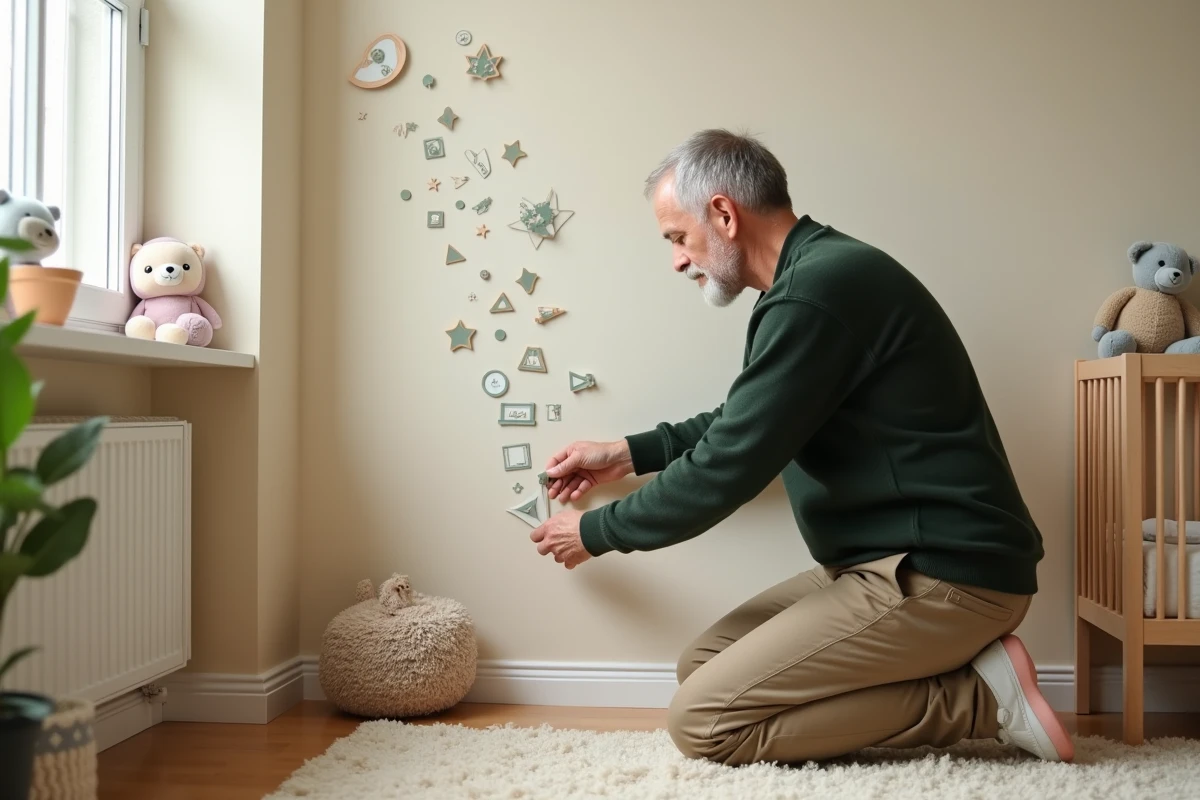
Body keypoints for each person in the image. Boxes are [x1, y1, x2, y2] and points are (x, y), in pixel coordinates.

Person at [528, 129, 1073, 767]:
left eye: (678, 237)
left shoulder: (817, 292)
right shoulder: (815, 280)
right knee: (700, 666)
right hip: (877, 563)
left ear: (724, 215)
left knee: (702, 724)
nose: (678, 260)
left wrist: (595, 531)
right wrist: (626, 453)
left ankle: (975, 700)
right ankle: (963, 676)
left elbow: (726, 467)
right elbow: (744, 421)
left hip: (942, 574)